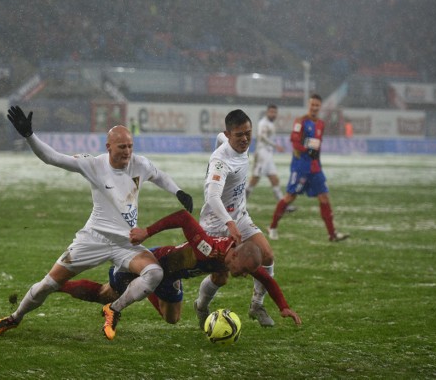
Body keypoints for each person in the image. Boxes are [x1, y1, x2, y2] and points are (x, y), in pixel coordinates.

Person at [0, 105, 194, 340]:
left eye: (130, 146)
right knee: (48, 284)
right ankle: (15, 318)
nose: (127, 152)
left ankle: (113, 309)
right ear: (108, 147)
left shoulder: (140, 164)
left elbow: (159, 175)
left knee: (154, 273)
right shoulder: (93, 164)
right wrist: (29, 136)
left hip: (125, 242)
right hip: (94, 238)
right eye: (121, 147)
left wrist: (178, 192)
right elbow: (53, 158)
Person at [59, 210, 301, 326]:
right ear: (234, 255)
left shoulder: (236, 258)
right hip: (154, 264)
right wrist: (147, 232)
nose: (244, 275)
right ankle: (58, 285)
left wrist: (284, 307)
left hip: (172, 276)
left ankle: (145, 290)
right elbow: (184, 217)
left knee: (172, 319)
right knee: (105, 295)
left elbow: (267, 279)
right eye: (244, 270)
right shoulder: (208, 247)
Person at [195, 109, 278, 328]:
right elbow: (212, 196)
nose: (244, 139)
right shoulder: (220, 163)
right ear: (229, 134)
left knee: (267, 255)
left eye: (248, 133)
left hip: (239, 215)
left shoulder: (231, 141)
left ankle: (257, 304)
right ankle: (201, 306)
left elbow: (219, 139)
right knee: (221, 278)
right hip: (216, 223)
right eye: (239, 135)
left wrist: (235, 220)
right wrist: (228, 223)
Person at [267, 94, 349, 242]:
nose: (315, 108)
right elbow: (295, 143)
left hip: (315, 167)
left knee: (324, 197)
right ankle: (272, 227)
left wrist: (314, 153)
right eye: (312, 105)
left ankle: (332, 234)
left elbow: (317, 145)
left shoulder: (321, 124)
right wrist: (308, 148)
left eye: (317, 105)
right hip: (301, 167)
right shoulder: (300, 121)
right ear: (308, 105)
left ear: (320, 107)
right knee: (290, 197)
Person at [245, 104, 296, 214]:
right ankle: (240, 204)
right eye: (271, 112)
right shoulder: (263, 123)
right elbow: (262, 137)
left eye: (275, 112)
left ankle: (283, 206)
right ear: (267, 112)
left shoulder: (270, 124)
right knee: (255, 179)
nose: (273, 114)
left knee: (274, 179)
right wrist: (275, 145)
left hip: (268, 154)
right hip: (262, 153)